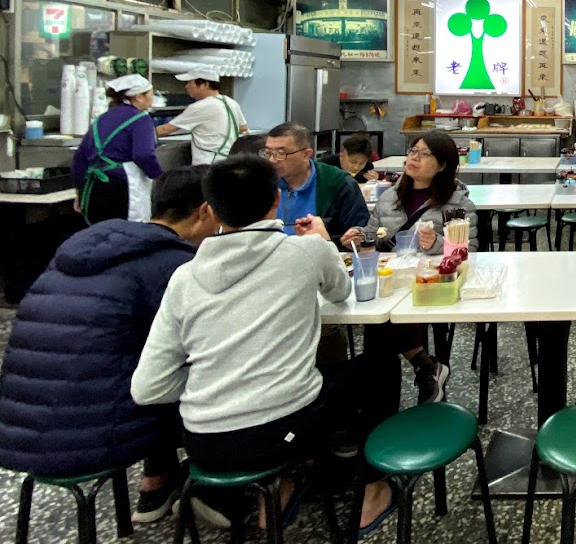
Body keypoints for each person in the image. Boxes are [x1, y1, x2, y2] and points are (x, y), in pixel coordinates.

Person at [130, 156, 396, 534]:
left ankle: (274, 488)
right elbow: (340, 292)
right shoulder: (306, 252)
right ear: (277, 199)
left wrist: (219, 382)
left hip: (204, 445)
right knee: (380, 366)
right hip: (286, 431)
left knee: (306, 389)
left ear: (209, 210)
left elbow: (147, 388)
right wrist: (322, 241)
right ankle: (371, 488)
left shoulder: (183, 278)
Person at [0, 167, 221, 525]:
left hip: (18, 430)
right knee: (210, 375)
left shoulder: (86, 249)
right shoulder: (173, 264)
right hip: (89, 437)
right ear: (206, 211)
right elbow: (206, 343)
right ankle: (212, 489)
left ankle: (156, 484)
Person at [341, 129, 479, 403]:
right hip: (392, 277)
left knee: (380, 326)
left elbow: (467, 252)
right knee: (379, 317)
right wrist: (358, 237)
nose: (414, 158)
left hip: (430, 282)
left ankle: (381, 404)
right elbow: (374, 235)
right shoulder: (389, 197)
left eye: (424, 154)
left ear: (442, 165)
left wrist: (436, 243)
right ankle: (423, 367)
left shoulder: (458, 203)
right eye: (413, 151)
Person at [73, 74, 164, 223]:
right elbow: (143, 155)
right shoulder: (141, 119)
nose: (152, 98)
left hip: (94, 187)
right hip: (124, 187)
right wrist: (160, 177)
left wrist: (80, 191)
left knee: (100, 231)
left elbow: (80, 157)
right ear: (139, 97)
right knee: (127, 232)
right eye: (151, 93)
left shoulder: (102, 118)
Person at [263, 121, 369, 240]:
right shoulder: (262, 183)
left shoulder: (339, 183)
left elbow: (358, 234)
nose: (272, 160)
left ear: (306, 154)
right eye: (268, 153)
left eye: (281, 153)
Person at [155, 67, 249, 164]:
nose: (186, 86)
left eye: (190, 82)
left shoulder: (200, 106)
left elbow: (165, 129)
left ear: (205, 84)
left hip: (208, 164)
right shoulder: (231, 103)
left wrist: (146, 134)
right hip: (228, 162)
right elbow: (243, 128)